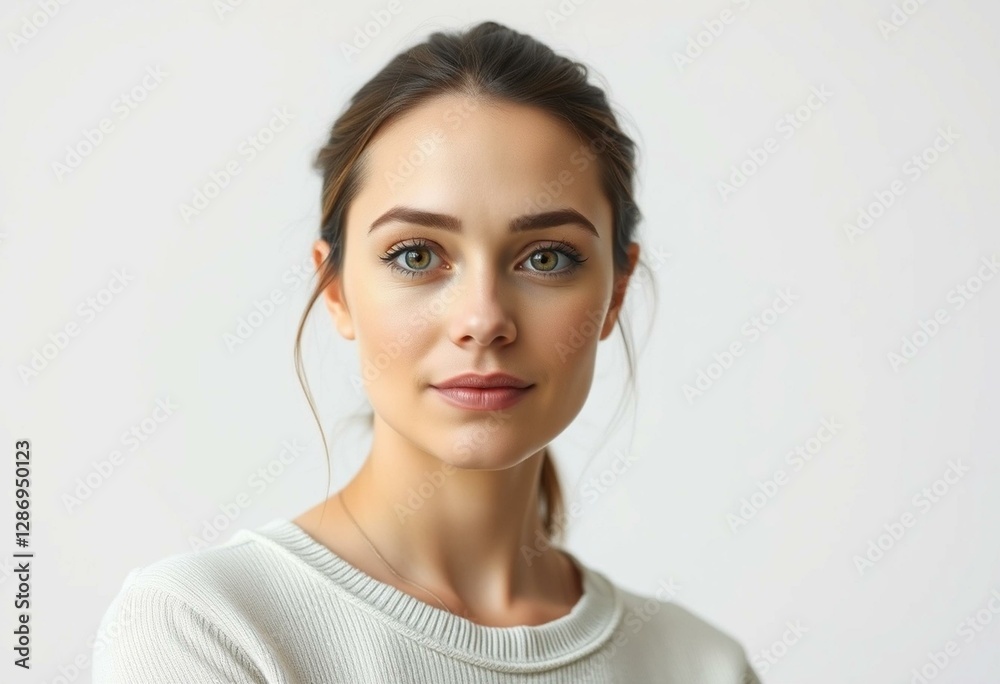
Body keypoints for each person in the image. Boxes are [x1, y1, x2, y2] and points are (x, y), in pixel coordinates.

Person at [93, 20, 761, 683]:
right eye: (416, 255)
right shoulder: (204, 630)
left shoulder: (703, 666)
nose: (483, 320)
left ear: (616, 292)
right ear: (336, 290)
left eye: (547, 257)